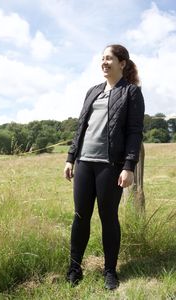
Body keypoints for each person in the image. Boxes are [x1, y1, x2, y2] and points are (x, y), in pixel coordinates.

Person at [64, 44, 145, 290]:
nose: (104, 62)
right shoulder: (93, 91)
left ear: (122, 63)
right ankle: (74, 268)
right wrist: (70, 157)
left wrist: (129, 165)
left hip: (110, 165)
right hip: (84, 162)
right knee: (80, 217)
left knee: (108, 217)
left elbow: (134, 132)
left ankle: (110, 271)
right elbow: (81, 126)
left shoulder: (131, 92)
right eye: (102, 58)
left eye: (109, 58)